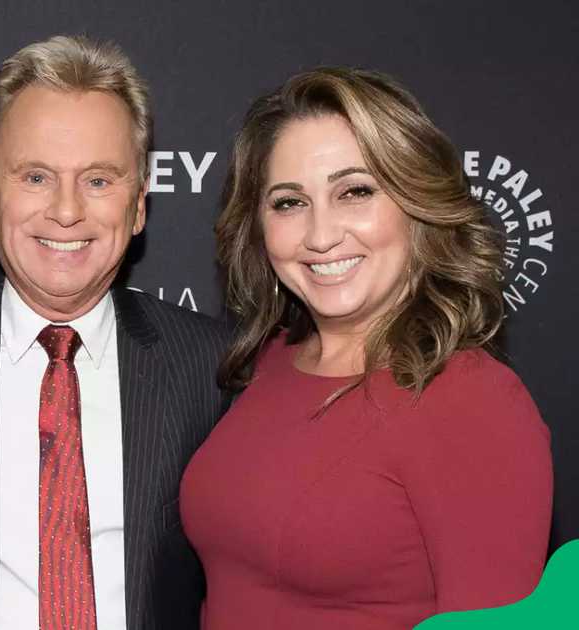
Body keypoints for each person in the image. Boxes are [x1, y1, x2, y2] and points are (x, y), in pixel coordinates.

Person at [0, 35, 229, 630]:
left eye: (100, 181)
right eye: (35, 177)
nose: (66, 210)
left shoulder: (210, 368)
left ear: (138, 204)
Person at [179, 67, 553, 629]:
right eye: (288, 202)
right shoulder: (273, 361)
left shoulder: (472, 400)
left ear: (415, 203)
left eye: (355, 192)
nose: (321, 235)